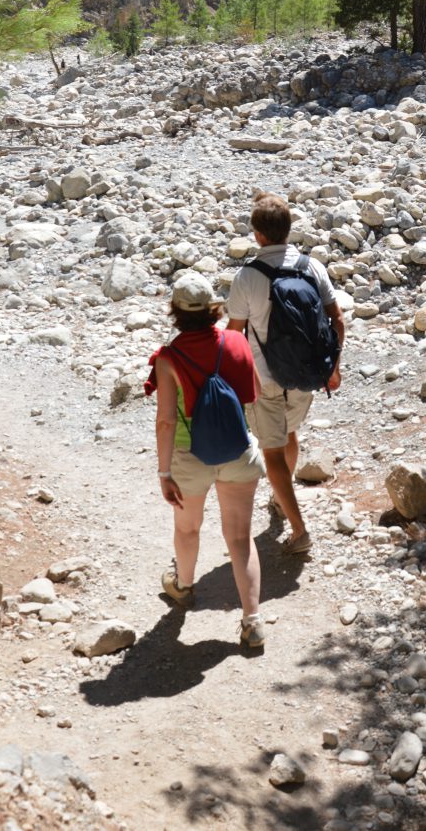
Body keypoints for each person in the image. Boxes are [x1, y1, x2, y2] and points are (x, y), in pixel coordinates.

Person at [145, 271, 267, 650]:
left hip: (189, 456)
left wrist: (164, 472)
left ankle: (183, 587)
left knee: (188, 528)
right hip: (236, 449)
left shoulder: (168, 358)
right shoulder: (235, 341)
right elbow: (254, 394)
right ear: (213, 308)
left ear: (176, 312)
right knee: (240, 538)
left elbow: (166, 421)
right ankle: (252, 621)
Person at [227, 193, 345, 555]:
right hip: (307, 373)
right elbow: (336, 320)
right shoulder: (312, 267)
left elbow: (233, 334)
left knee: (271, 450)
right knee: (289, 433)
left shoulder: (247, 276)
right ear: (288, 229)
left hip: (264, 378)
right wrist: (333, 367)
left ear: (258, 235)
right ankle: (283, 497)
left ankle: (298, 530)